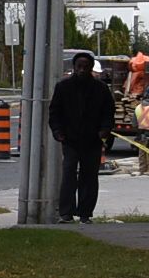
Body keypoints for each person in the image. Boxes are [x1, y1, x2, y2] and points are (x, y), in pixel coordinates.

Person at [48, 52, 116, 221]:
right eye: (79, 66)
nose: (82, 70)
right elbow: (54, 112)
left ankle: (85, 213)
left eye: (86, 67)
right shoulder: (63, 87)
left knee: (89, 177)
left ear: (91, 68)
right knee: (69, 174)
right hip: (70, 140)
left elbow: (109, 112)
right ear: (74, 67)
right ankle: (66, 213)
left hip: (92, 140)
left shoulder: (100, 89)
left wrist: (104, 129)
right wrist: (58, 131)